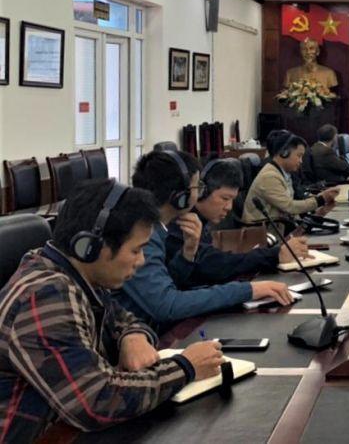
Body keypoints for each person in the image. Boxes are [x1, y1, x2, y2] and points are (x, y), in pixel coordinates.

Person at [0, 179, 223, 442]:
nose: (141, 261)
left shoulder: (72, 270)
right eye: (136, 250)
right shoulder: (45, 296)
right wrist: (186, 367)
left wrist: (133, 336)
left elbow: (122, 317)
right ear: (91, 246)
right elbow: (97, 401)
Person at [112, 151, 294, 332]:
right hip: (142, 335)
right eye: (196, 186)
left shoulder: (157, 228)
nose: (200, 192)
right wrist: (248, 290)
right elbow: (168, 305)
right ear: (180, 195)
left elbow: (167, 285)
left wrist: (187, 253)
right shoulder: (142, 234)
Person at [165, 158, 311, 285]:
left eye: (232, 200)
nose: (229, 207)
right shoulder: (181, 223)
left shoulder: (200, 220)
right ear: (202, 192)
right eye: (225, 198)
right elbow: (213, 265)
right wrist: (275, 255)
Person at [242, 131, 339, 232]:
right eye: (299, 156)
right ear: (284, 153)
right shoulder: (269, 176)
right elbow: (289, 207)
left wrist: (319, 208)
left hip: (279, 228)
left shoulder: (283, 173)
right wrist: (320, 200)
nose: (301, 161)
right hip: (264, 234)